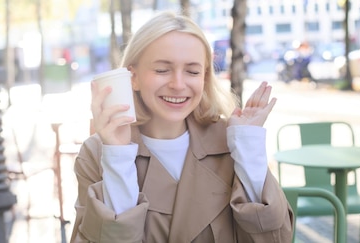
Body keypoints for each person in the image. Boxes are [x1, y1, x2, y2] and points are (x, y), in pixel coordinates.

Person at [70, 11, 294, 243]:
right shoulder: (97, 153)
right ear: (132, 77)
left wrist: (249, 149)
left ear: (205, 77)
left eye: (192, 71)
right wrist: (118, 155)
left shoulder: (231, 142)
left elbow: (276, 238)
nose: (178, 84)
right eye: (162, 70)